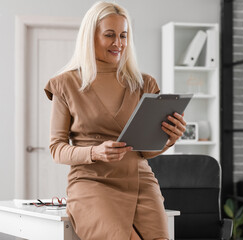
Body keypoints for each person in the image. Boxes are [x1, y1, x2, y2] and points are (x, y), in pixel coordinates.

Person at [44, 2, 186, 240]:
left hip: (140, 180)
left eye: (123, 35)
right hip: (91, 183)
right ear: (91, 36)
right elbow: (57, 149)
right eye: (109, 35)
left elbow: (144, 151)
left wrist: (169, 139)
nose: (118, 43)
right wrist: (95, 152)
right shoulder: (65, 84)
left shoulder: (144, 84)